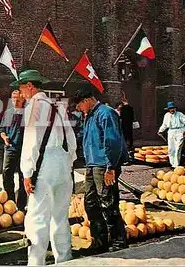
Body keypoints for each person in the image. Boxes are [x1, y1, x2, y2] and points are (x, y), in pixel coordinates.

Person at [11, 70, 77, 265]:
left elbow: (31, 141)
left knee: (37, 218)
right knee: (60, 217)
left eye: (21, 88)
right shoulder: (57, 106)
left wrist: (27, 173)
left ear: (30, 86)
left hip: (44, 164)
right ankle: (64, 260)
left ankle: (36, 263)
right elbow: (71, 140)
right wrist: (68, 163)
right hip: (63, 164)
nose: (20, 93)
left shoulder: (35, 106)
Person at [72, 89, 128, 253]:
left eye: (80, 105)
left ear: (88, 99)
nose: (80, 109)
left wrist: (111, 167)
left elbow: (112, 141)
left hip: (104, 165)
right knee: (90, 203)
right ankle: (99, 241)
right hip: (91, 164)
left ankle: (119, 241)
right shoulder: (89, 115)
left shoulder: (106, 113)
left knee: (108, 203)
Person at [0, 90, 27, 211]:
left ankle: (21, 206)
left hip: (24, 149)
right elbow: (1, 130)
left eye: (18, 99)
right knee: (7, 173)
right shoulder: (8, 113)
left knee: (23, 176)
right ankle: (10, 203)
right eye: (14, 99)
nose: (15, 101)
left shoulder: (27, 114)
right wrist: (5, 137)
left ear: (23, 100)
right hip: (10, 148)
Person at [158, 101, 185, 168]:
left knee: (178, 148)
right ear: (168, 109)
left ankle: (176, 165)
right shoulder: (167, 115)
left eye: (173, 108)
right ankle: (172, 164)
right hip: (171, 132)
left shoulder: (180, 114)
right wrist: (160, 131)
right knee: (171, 149)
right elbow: (164, 125)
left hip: (179, 131)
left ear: (175, 108)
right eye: (170, 108)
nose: (172, 110)